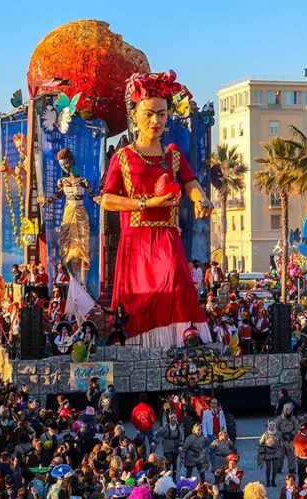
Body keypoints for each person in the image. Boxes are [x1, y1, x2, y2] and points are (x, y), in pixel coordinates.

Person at [100, 70, 214, 347]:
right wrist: (145, 203)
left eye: (162, 114)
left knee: (176, 279)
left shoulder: (173, 155)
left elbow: (190, 182)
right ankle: (139, 341)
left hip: (166, 235)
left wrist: (201, 199)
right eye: (149, 114)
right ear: (134, 116)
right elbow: (107, 199)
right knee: (141, 295)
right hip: (136, 238)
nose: (156, 121)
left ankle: (185, 330)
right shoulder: (123, 157)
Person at [37, 148, 100, 288]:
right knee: (67, 247)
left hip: (81, 213)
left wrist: (100, 199)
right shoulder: (62, 181)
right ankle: (73, 281)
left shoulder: (83, 181)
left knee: (83, 247)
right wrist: (46, 200)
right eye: (61, 164)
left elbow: (92, 196)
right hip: (68, 214)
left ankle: (83, 283)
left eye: (65, 163)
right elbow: (58, 195)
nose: (64, 166)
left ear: (71, 161)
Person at [155, 411, 184, 480]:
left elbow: (181, 437)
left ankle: (174, 476)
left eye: (174, 417)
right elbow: (158, 433)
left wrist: (180, 446)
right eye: (171, 417)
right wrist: (154, 441)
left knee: (174, 462)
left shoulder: (178, 428)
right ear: (169, 418)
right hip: (167, 446)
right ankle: (168, 474)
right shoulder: (166, 427)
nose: (173, 419)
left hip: (175, 446)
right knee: (169, 460)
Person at [202, 399, 228, 468]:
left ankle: (221, 465)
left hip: (220, 434)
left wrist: (225, 433)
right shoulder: (206, 413)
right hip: (211, 434)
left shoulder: (220, 412)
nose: (214, 404)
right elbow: (204, 424)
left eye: (215, 403)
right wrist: (205, 435)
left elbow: (224, 422)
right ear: (210, 404)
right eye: (212, 403)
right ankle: (214, 467)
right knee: (212, 451)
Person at [276, 402, 300, 474]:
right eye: (287, 409)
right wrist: (281, 434)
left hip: (290, 438)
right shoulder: (279, 418)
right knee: (280, 454)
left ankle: (292, 469)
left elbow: (296, 427)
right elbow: (275, 428)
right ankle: (278, 468)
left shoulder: (293, 418)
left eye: (290, 410)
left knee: (291, 454)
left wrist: (293, 433)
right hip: (281, 439)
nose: (288, 412)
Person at [259, 419, 284, 487]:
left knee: (275, 468)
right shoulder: (265, 434)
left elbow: (281, 443)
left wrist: (280, 450)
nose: (272, 426)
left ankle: (273, 481)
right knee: (268, 468)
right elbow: (261, 444)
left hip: (276, 452)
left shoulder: (278, 434)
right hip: (267, 452)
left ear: (275, 425)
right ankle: (268, 481)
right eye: (270, 424)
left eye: (273, 424)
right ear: (268, 425)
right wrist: (262, 453)